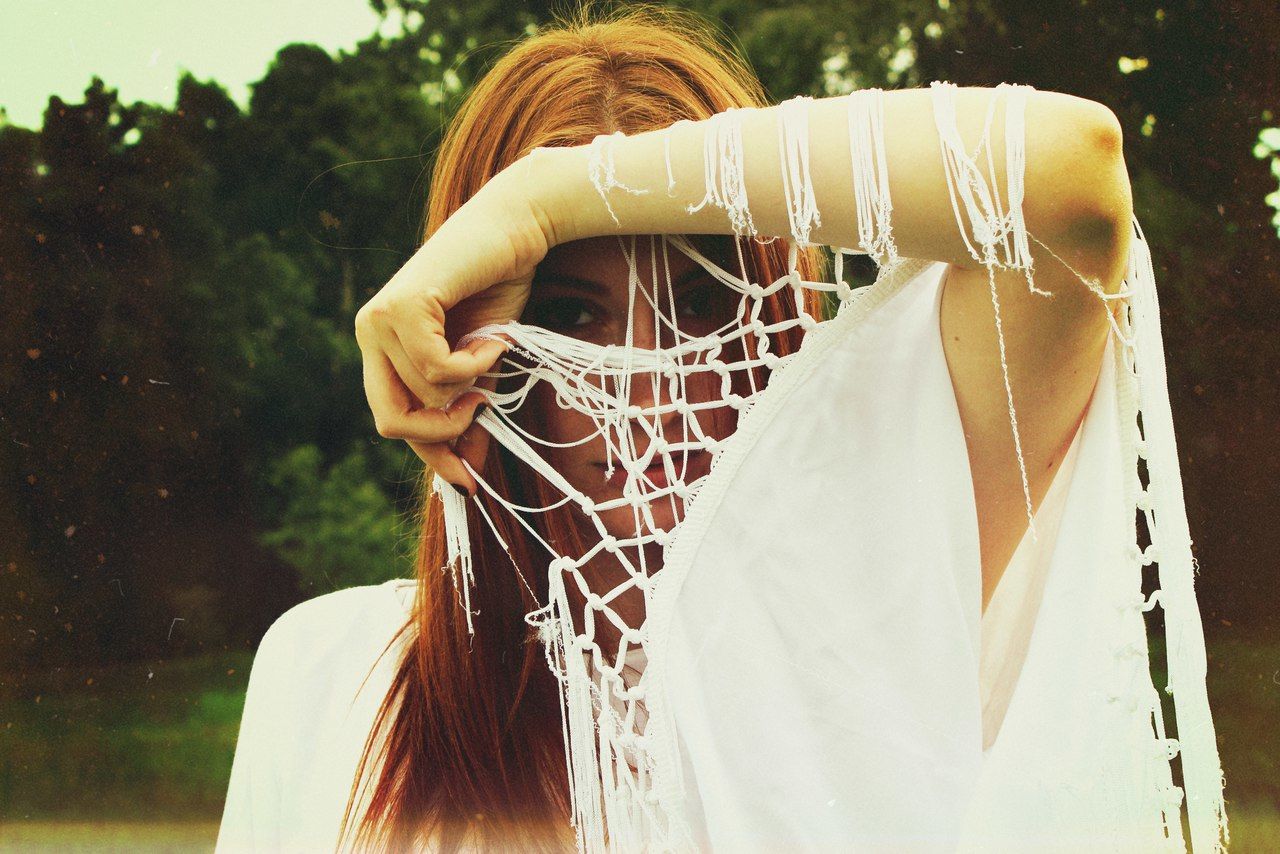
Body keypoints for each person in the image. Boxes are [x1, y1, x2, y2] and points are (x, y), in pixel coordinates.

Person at [216, 3, 1228, 853]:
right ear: (468, 339)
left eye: (704, 307)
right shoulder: (329, 673)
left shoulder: (870, 595)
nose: (650, 398)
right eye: (571, 318)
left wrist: (542, 200)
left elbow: (1067, 180)